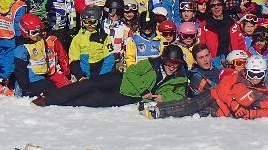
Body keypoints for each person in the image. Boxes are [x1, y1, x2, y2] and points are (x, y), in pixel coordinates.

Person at [142, 53, 268, 119]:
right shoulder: (236, 75)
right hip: (213, 96)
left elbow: (264, 110)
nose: (254, 79)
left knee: (192, 114)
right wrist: (234, 104)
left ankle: (158, 106)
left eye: (258, 75)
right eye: (251, 74)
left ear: (264, 75)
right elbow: (222, 88)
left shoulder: (262, 93)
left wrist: (249, 113)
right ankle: (157, 110)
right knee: (189, 105)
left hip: (220, 110)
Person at [33, 44, 189, 108]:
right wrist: (143, 90)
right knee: (88, 84)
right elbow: (132, 72)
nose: (172, 66)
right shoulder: (152, 63)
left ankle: (58, 104)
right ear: (163, 60)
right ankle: (49, 98)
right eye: (169, 62)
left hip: (127, 95)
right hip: (120, 80)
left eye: (176, 63)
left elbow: (180, 96)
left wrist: (163, 98)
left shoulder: (180, 78)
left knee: (92, 100)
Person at [13, 13, 71, 99]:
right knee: (53, 94)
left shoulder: (40, 40)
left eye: (39, 31)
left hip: (42, 76)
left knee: (58, 89)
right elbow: (20, 71)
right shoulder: (22, 48)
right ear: (25, 32)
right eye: (34, 32)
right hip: (31, 80)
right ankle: (19, 90)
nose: (37, 34)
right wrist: (26, 88)